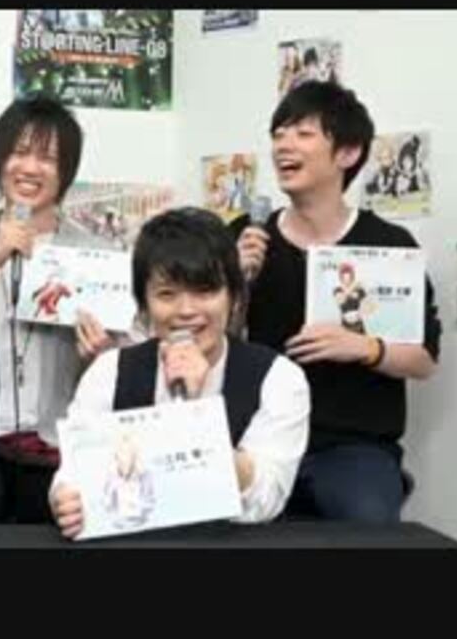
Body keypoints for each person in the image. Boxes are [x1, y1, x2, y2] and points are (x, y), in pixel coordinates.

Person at [231, 81, 442, 523]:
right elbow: (212, 343)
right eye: (278, 134)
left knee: (367, 524)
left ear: (347, 153)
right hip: (259, 437)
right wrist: (238, 283)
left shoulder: (388, 244)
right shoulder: (246, 237)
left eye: (303, 134)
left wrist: (365, 347)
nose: (284, 145)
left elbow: (424, 360)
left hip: (353, 447)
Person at [50, 208, 310, 538]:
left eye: (205, 291)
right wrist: (66, 499)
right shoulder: (109, 371)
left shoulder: (279, 379)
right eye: (167, 294)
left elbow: (266, 499)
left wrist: (195, 413)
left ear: (234, 297)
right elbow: (74, 471)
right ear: (144, 305)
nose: (186, 311)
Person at [0, 94, 117, 523]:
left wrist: (95, 355)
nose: (29, 168)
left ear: (66, 172)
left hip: (54, 448)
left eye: (48, 158)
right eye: (19, 152)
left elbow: (112, 369)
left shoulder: (94, 253)